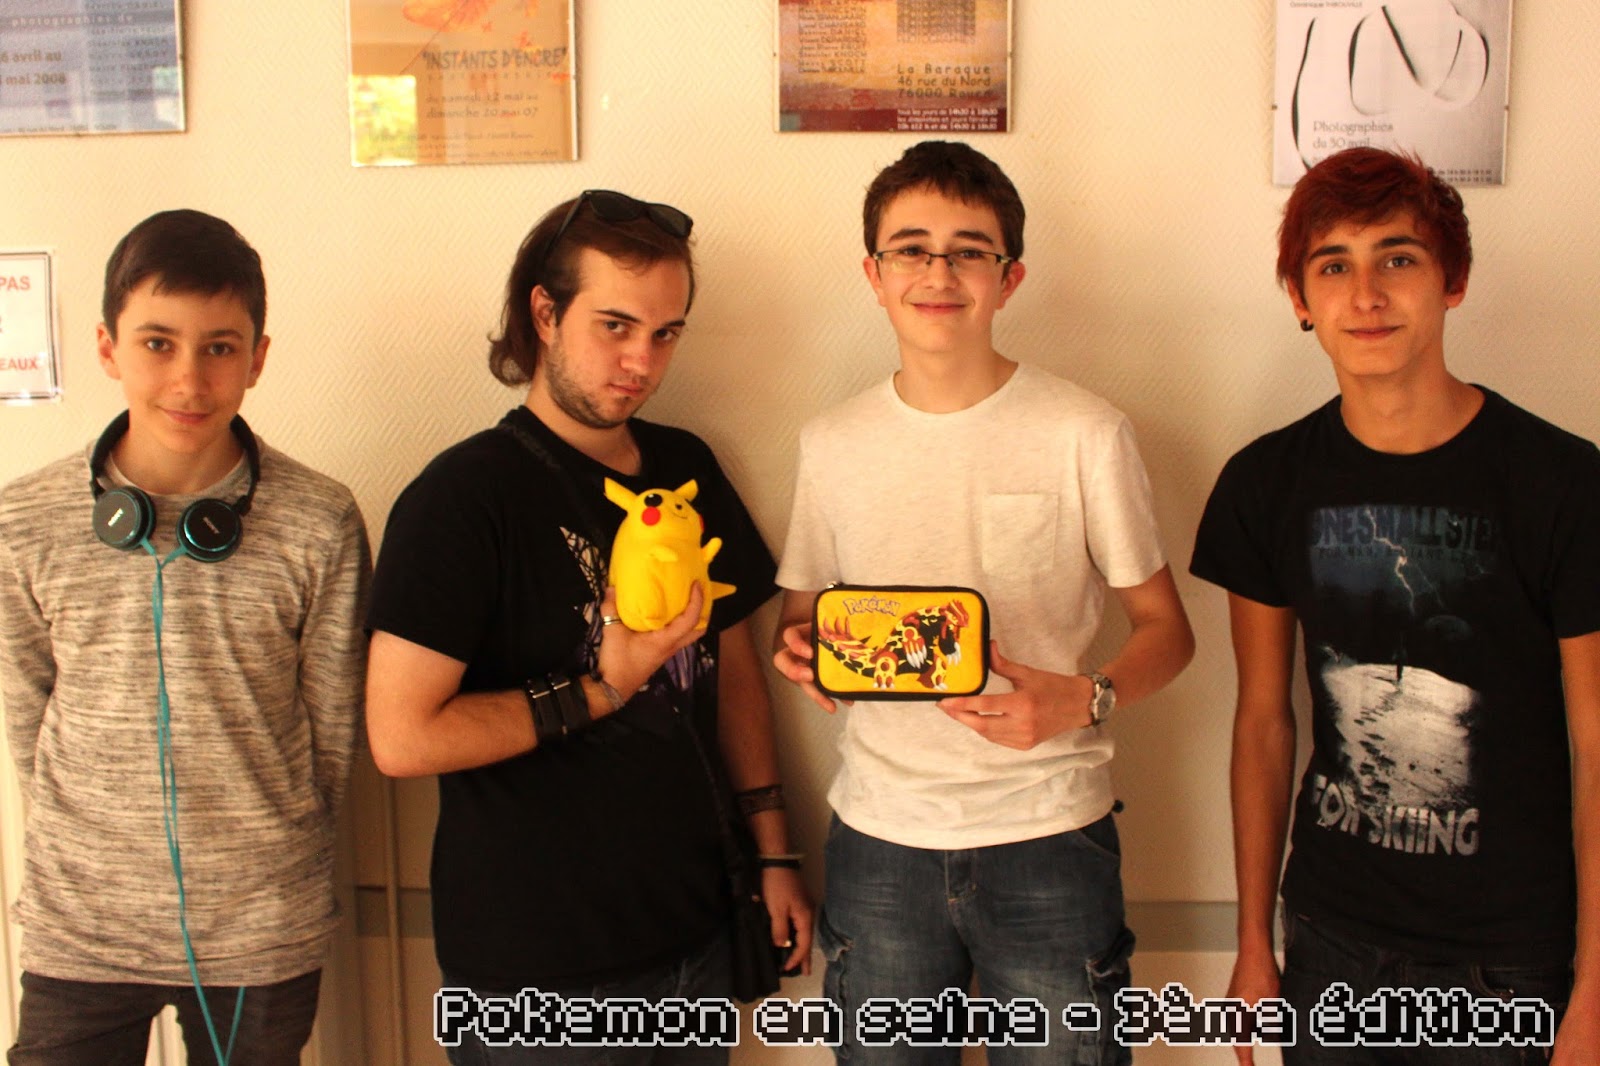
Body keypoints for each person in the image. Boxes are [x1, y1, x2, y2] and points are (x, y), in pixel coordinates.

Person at [365, 190, 813, 1065]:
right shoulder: (462, 498)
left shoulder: (684, 466)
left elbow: (733, 672)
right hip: (537, 979)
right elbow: (402, 736)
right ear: (544, 313)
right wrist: (602, 689)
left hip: (696, 939)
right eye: (615, 326)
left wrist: (775, 853)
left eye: (666, 332)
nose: (642, 361)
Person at [771, 141, 1194, 1065]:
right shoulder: (831, 443)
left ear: (1010, 278)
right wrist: (799, 653)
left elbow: (1168, 630)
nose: (938, 273)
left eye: (969, 250)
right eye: (911, 249)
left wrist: (1085, 698)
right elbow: (797, 619)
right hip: (879, 838)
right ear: (874, 274)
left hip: (1050, 832)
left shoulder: (1086, 432)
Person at [1191, 146, 1599, 1065]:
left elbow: (1597, 745)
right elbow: (1263, 722)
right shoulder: (1266, 482)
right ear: (1300, 297)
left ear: (1453, 281)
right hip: (1330, 944)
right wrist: (1254, 945)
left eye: (1398, 258)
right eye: (1333, 265)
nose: (1366, 294)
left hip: (1512, 960)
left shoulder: (1565, 485)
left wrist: (1597, 985)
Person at [0, 209, 371, 1066]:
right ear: (107, 348)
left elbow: (332, 735)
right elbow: (27, 720)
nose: (189, 380)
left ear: (258, 358)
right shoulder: (25, 519)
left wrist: (275, 862)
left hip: (258, 927)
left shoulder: (320, 521)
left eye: (219, 347)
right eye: (157, 343)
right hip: (80, 926)